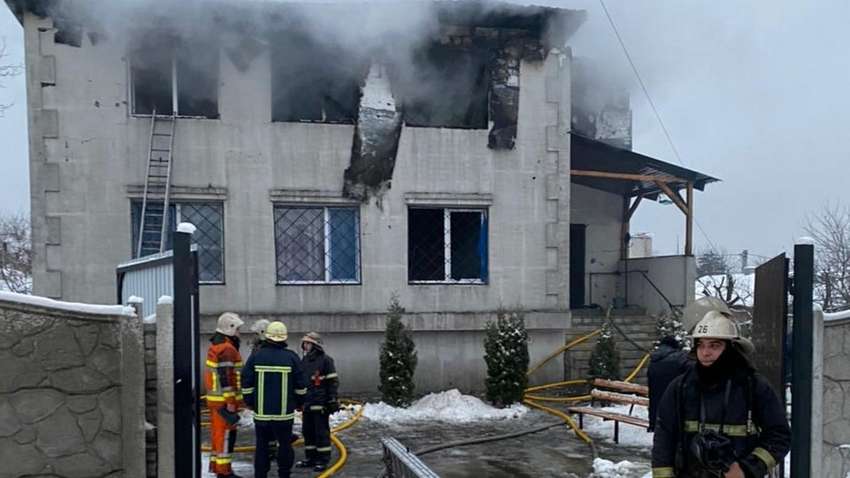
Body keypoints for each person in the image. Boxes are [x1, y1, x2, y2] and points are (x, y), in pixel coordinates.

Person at [651, 311, 790, 478]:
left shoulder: (753, 386)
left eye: (714, 345)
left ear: (732, 348)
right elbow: (664, 437)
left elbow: (779, 435)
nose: (705, 352)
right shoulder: (680, 387)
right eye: (701, 345)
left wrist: (747, 468)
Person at [242, 321, 307, 478]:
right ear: (284, 338)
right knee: (285, 445)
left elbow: (246, 383)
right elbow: (301, 385)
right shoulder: (291, 357)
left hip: (262, 414)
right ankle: (284, 474)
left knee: (262, 446)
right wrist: (299, 403)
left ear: (267, 336)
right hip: (284, 414)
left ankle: (260, 475)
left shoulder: (256, 356)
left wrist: (250, 402)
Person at [205, 312, 245, 478]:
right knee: (226, 437)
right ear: (230, 329)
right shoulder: (227, 349)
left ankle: (218, 468)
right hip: (224, 402)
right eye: (238, 329)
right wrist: (230, 401)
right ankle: (224, 472)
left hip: (217, 401)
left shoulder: (218, 346)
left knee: (218, 436)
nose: (239, 333)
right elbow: (226, 377)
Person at [296, 332, 339, 472]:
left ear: (315, 345)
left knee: (321, 433)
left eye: (308, 343)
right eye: (304, 343)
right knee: (308, 432)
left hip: (321, 404)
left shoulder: (326, 360)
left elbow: (333, 382)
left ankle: (323, 459)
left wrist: (332, 399)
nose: (305, 345)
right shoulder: (304, 361)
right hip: (307, 403)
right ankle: (311, 458)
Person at [648, 335, 692, 432]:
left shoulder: (653, 359)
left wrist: (652, 423)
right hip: (676, 413)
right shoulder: (680, 358)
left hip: (657, 415)